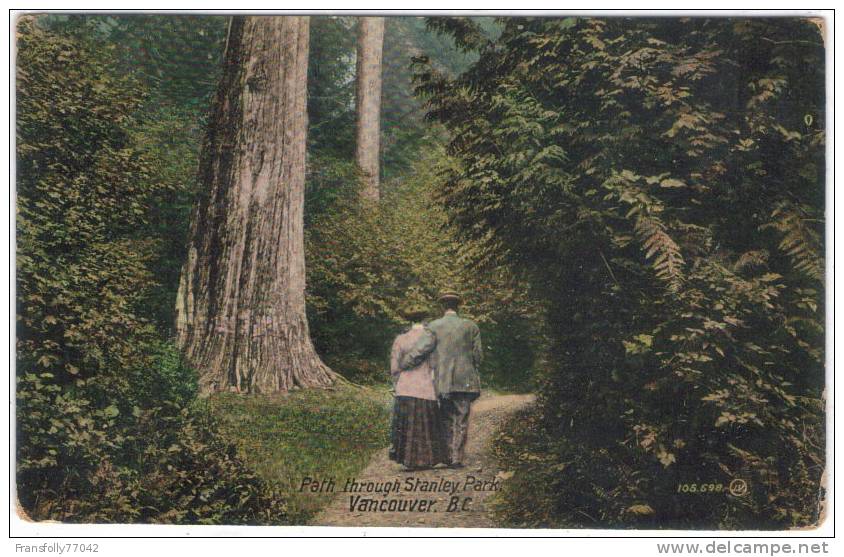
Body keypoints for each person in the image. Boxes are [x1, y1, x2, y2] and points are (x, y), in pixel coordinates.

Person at [399, 291, 482, 468]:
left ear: (443, 307)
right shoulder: (471, 326)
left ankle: (447, 456)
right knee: (462, 419)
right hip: (466, 380)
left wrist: (405, 363)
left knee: (445, 417)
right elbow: (478, 356)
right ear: (458, 306)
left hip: (443, 380)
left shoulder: (434, 326)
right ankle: (457, 458)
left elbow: (421, 350)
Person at [388, 305, 447, 471]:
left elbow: (394, 367)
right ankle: (427, 459)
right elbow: (436, 363)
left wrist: (396, 383)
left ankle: (408, 460)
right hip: (425, 385)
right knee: (426, 424)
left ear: (409, 320)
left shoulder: (400, 339)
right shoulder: (431, 338)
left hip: (405, 387)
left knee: (407, 424)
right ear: (425, 320)